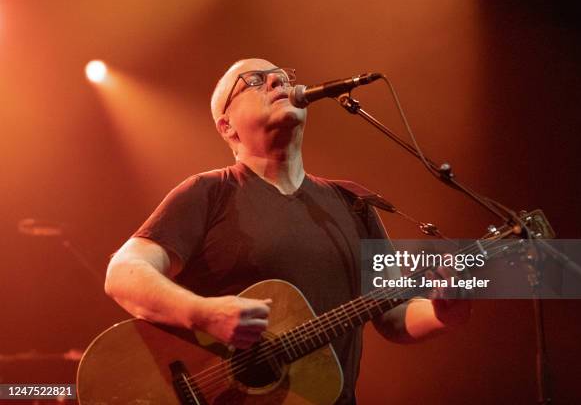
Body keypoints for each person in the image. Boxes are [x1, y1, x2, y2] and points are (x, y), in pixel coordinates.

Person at [104, 58, 471, 404]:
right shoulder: (208, 192)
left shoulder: (352, 202)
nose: (279, 80)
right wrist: (204, 314)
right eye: (254, 81)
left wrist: (444, 314)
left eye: (283, 75)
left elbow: (394, 315)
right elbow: (122, 275)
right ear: (226, 126)